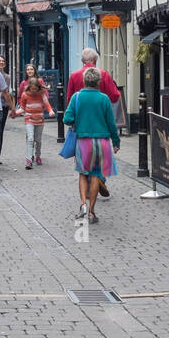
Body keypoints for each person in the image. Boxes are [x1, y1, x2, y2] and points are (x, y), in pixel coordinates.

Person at [64, 67, 120, 224]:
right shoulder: (104, 99)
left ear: (84, 81)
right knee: (95, 175)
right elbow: (111, 123)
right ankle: (91, 212)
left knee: (83, 174)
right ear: (99, 82)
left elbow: (67, 119)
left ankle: (83, 204)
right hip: (102, 142)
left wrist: (78, 120)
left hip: (84, 141)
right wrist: (116, 142)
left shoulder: (77, 97)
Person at [15, 73, 54, 169]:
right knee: (30, 139)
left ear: (38, 87)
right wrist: (15, 113)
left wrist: (50, 111)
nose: (33, 91)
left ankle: (38, 156)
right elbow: (22, 108)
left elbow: (46, 104)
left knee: (38, 140)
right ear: (29, 87)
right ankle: (28, 160)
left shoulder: (41, 94)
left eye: (35, 89)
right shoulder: (25, 95)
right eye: (31, 89)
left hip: (40, 119)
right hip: (29, 119)